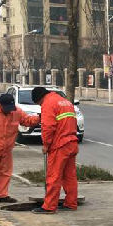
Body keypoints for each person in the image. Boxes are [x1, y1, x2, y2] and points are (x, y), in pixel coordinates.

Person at [31, 86, 78, 214]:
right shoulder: (64, 101)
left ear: (39, 99)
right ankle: (71, 203)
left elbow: (48, 127)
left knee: (53, 176)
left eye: (39, 104)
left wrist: (46, 145)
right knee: (69, 176)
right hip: (72, 142)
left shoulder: (48, 103)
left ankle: (49, 206)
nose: (40, 106)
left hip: (60, 145)